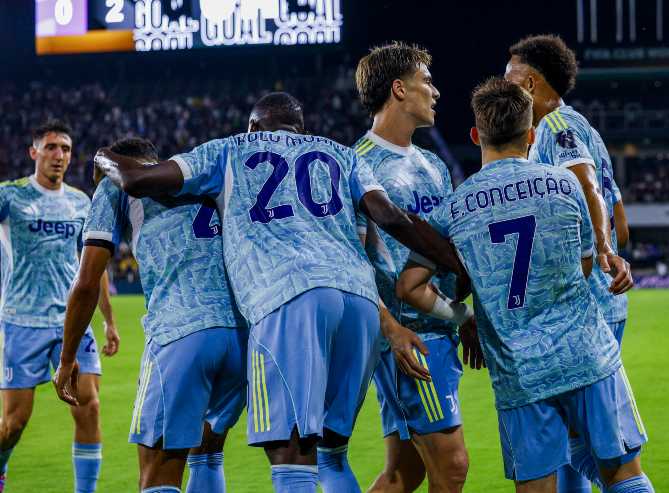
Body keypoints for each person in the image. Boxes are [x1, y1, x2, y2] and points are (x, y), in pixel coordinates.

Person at [92, 92, 466, 493]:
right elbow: (393, 217)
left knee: (292, 457)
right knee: (332, 455)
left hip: (288, 296)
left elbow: (137, 180)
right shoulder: (342, 154)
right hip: (360, 304)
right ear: (300, 129)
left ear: (253, 126)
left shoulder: (231, 149)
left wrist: (103, 157)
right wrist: (458, 262)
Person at [397, 78, 652, 493]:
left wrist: (466, 315)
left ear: (476, 135)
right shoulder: (565, 185)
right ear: (531, 135)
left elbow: (410, 287)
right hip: (587, 355)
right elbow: (585, 264)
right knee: (624, 475)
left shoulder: (453, 210)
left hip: (520, 373)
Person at [54, 138, 248, 493]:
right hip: (240, 335)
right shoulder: (199, 173)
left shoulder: (114, 186)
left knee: (158, 472)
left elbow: (86, 282)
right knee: (207, 454)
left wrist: (66, 359)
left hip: (180, 330)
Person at [504, 35, 634, 491]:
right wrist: (610, 244)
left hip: (583, 305)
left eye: (509, 78)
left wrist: (601, 250)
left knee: (587, 446)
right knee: (569, 437)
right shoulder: (585, 129)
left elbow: (587, 185)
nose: (503, 87)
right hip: (601, 300)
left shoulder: (556, 127)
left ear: (530, 83)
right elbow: (621, 220)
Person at [354, 42, 482, 493]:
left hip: (439, 328)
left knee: (403, 473)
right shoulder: (357, 164)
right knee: (452, 466)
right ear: (398, 89)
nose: (436, 91)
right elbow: (351, 262)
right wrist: (390, 330)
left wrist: (460, 314)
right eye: (426, 81)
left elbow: (446, 254)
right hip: (411, 339)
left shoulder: (433, 165)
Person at [0, 120, 119, 493]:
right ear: (33, 152)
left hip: (72, 321)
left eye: (65, 148)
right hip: (21, 320)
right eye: (51, 147)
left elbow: (93, 266)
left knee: (90, 407)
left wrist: (109, 321)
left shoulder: (81, 202)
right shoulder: (10, 196)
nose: (59, 155)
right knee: (14, 423)